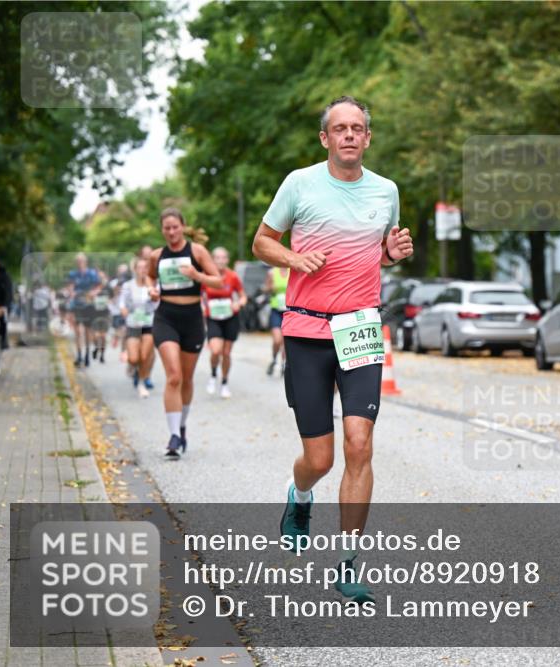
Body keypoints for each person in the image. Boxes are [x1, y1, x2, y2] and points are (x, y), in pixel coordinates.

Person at [253, 96, 412, 603]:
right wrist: (294, 258)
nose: (348, 135)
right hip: (305, 332)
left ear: (368, 137)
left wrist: (391, 254)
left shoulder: (386, 191)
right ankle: (299, 496)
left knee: (360, 445)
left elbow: (379, 255)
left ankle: (348, 562)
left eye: (357, 128)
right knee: (319, 459)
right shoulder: (299, 184)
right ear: (325, 138)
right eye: (339, 128)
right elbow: (261, 242)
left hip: (361, 329)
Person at [149, 208, 222, 457]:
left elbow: (218, 281)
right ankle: (173, 437)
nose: (171, 232)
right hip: (165, 318)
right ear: (162, 230)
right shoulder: (156, 255)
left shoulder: (197, 252)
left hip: (192, 319)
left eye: (175, 227)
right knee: (173, 376)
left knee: (187, 379)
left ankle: (181, 426)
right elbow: (150, 278)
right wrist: (152, 290)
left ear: (182, 227)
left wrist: (196, 275)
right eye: (166, 228)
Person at [203, 247, 247, 398]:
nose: (220, 261)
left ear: (227, 260)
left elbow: (243, 296)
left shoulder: (232, 276)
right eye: (217, 258)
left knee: (226, 353)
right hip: (213, 317)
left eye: (223, 258)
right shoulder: (206, 276)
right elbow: (197, 296)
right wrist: (201, 306)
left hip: (230, 317)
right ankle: (213, 375)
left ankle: (224, 383)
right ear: (212, 260)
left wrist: (239, 304)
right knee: (215, 350)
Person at [121, 257, 158, 398]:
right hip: (133, 323)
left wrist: (154, 296)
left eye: (145, 267)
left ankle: (141, 383)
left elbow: (157, 304)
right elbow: (121, 303)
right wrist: (123, 309)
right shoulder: (128, 286)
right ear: (135, 269)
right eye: (140, 267)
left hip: (149, 323)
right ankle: (132, 367)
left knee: (144, 356)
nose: (142, 270)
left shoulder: (153, 286)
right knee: (133, 358)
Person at [66, 253, 102, 367]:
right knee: (77, 332)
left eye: (82, 261)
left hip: (88, 305)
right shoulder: (73, 274)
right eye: (78, 261)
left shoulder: (92, 274)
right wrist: (72, 293)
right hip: (76, 305)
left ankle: (87, 355)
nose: (80, 263)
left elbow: (99, 286)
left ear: (85, 262)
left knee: (87, 331)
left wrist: (93, 293)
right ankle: (79, 355)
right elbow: (70, 287)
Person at [264, 265, 289, 376]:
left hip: (288, 311)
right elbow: (265, 289)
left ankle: (283, 364)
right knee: (277, 340)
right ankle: (274, 359)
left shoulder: (292, 271)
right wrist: (270, 287)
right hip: (276, 310)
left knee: (285, 342)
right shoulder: (272, 272)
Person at [90, 271, 113, 363]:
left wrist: (109, 302)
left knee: (103, 336)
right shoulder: (93, 287)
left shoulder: (108, 288)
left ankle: (102, 355)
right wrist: (93, 295)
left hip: (105, 314)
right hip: (95, 314)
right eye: (99, 277)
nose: (101, 279)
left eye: (102, 277)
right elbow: (88, 297)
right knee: (95, 336)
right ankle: (96, 348)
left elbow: (113, 298)